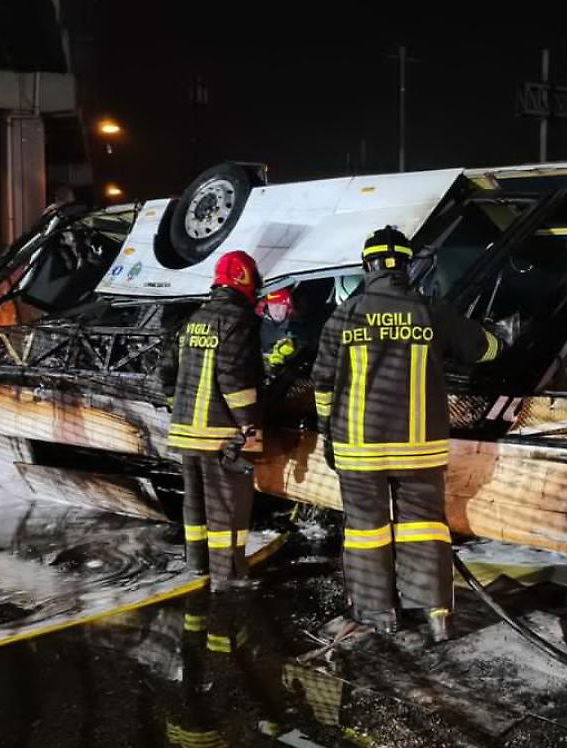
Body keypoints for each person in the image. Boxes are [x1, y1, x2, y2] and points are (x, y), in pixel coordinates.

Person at [311, 226, 503, 641]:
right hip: (420, 449)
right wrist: (496, 336)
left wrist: (328, 434)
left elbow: (322, 383)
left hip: (359, 449)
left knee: (366, 529)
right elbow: (485, 350)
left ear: (369, 266)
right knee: (425, 527)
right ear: (407, 265)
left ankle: (378, 612)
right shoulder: (430, 311)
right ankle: (436, 615)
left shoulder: (344, 316)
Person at [157, 250, 264, 592]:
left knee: (196, 503)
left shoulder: (194, 319)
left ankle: (198, 565)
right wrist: (250, 427)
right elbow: (234, 378)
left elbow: (167, 372)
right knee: (227, 509)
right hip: (220, 434)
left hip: (187, 431)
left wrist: (180, 413)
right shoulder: (236, 319)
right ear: (246, 279)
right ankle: (228, 577)